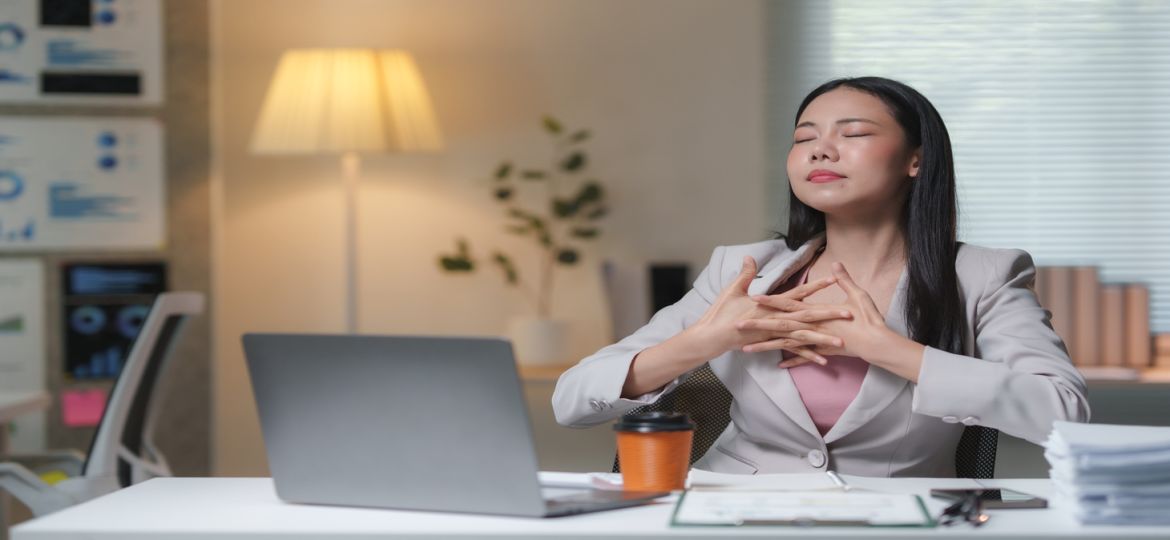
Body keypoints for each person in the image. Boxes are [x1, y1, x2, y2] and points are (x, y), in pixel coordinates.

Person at [551, 76, 1089, 477]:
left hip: (899, 521)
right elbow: (572, 401)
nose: (820, 149)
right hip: (730, 515)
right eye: (804, 136)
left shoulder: (983, 275)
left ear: (916, 161)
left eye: (852, 133)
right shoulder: (744, 270)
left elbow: (1064, 414)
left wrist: (890, 349)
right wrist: (703, 340)